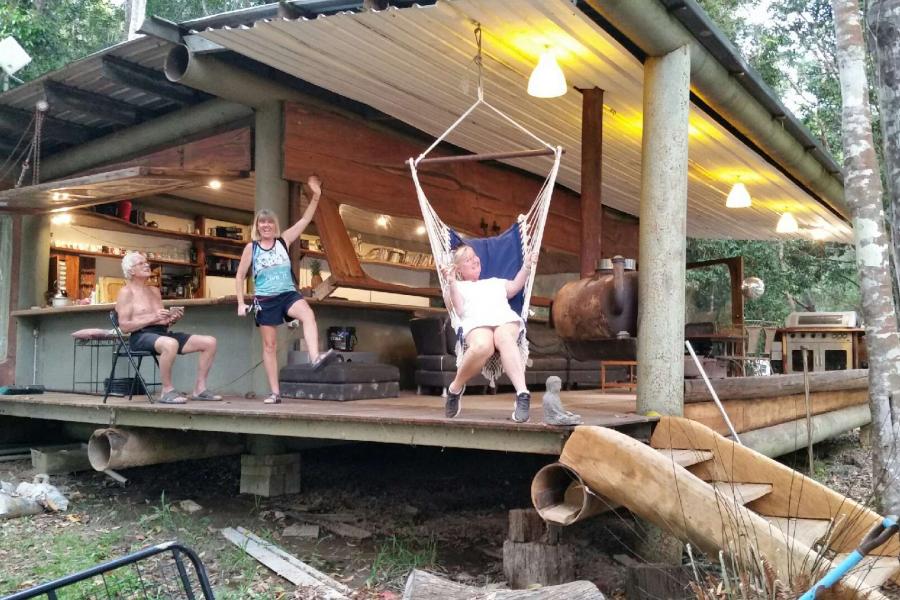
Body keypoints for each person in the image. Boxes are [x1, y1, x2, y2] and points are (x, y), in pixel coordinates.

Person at [235, 174, 339, 404]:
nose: (266, 226)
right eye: (262, 223)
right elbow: (240, 275)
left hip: (287, 294)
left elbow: (304, 220)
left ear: (275, 225)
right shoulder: (251, 248)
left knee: (308, 314)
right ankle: (275, 393)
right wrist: (241, 302)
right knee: (270, 346)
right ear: (257, 227)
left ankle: (314, 358)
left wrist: (316, 195)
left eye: (269, 222)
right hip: (265, 299)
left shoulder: (284, 240)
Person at [440, 244, 537, 422]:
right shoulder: (456, 287)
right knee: (482, 346)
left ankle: (522, 394)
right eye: (468, 259)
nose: (475, 259)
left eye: (475, 256)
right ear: (459, 269)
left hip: (505, 319)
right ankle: (455, 388)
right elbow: (458, 309)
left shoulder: (495, 281)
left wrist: (527, 265)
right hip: (476, 323)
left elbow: (515, 286)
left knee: (504, 338)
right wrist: (452, 282)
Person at [116, 252, 221, 404]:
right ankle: (167, 391)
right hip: (140, 336)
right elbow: (124, 326)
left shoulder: (154, 290)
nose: (147, 265)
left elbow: (161, 320)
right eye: (141, 263)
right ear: (131, 270)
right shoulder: (126, 292)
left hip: (161, 333)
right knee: (170, 343)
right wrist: (154, 317)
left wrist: (171, 319)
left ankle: (200, 389)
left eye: (147, 262)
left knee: (209, 342)